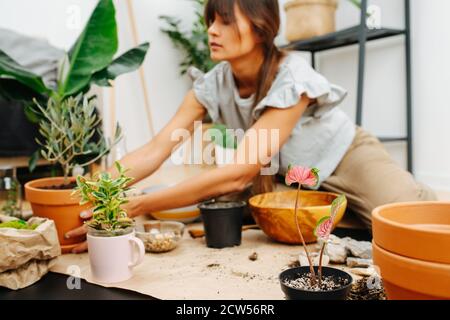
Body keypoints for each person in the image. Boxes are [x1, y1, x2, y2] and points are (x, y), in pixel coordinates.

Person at [66, 0, 437, 253]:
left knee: (407, 224)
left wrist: (140, 203)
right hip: (287, 176)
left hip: (344, 158)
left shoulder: (292, 75)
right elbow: (155, 149)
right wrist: (97, 191)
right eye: (211, 20)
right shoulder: (211, 85)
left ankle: (399, 197)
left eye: (225, 21)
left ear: (260, 29)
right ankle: (341, 215)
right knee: (231, 213)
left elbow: (238, 173)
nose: (212, 30)